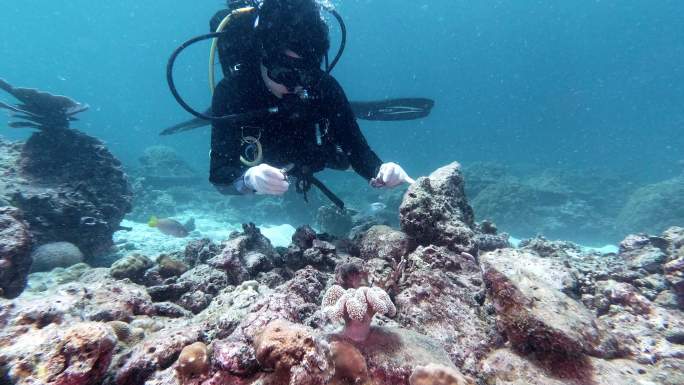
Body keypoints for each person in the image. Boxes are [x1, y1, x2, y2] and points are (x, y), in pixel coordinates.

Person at [208, 0, 414, 199]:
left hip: (312, 153)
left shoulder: (324, 86)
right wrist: (248, 180)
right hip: (265, 147)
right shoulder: (232, 92)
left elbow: (358, 150)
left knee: (336, 152)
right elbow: (219, 175)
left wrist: (381, 170)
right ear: (264, 56)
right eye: (286, 74)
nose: (297, 86)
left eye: (306, 74)